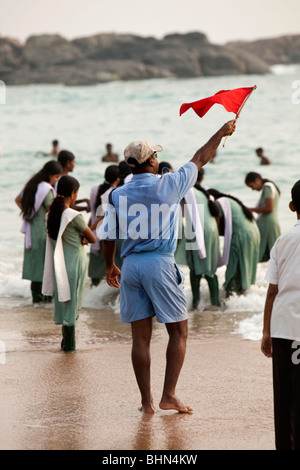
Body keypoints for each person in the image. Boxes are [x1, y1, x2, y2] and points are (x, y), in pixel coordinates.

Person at [100, 120, 236, 414]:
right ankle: (168, 395)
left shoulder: (117, 194)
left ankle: (146, 403)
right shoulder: (170, 184)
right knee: (178, 332)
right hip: (160, 264)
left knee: (140, 338)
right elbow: (200, 158)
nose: (157, 158)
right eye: (155, 155)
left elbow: (108, 236)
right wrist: (221, 131)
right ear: (151, 161)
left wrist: (110, 266)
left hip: (132, 266)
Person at [261, 179, 300, 450]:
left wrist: (266, 332)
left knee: (285, 398)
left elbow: (272, 291)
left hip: (285, 327)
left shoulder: (283, 241)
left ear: (292, 207)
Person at [42, 175, 96, 351]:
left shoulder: (51, 215)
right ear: (73, 193)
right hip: (74, 263)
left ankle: (65, 342)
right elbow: (92, 238)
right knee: (73, 304)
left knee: (65, 301)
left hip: (60, 264)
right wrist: (84, 239)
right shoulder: (73, 215)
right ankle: (69, 347)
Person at [15, 160, 63, 303]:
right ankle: (47, 301)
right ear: (49, 175)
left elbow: (17, 200)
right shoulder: (46, 189)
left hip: (32, 229)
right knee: (47, 264)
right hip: (43, 230)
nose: (56, 180)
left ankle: (36, 299)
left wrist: (28, 213)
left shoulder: (32, 185)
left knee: (36, 264)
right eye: (56, 177)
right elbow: (51, 210)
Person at [176, 169, 221, 309]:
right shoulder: (204, 192)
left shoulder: (188, 191)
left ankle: (195, 305)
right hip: (211, 230)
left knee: (195, 268)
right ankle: (215, 304)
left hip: (198, 230)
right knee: (209, 268)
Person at [208, 188, 260, 298]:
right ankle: (241, 297)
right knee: (244, 265)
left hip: (241, 235)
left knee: (233, 266)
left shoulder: (218, 203)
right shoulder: (230, 201)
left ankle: (230, 297)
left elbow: (216, 227)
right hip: (253, 232)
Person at [88, 165, 120, 286]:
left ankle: (93, 293)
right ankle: (104, 297)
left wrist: (89, 229)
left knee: (96, 267)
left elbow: (93, 211)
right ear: (117, 179)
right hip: (105, 233)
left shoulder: (94, 189)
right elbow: (103, 215)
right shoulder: (113, 192)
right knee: (110, 264)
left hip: (94, 232)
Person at [245, 172, 280, 262]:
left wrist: (251, 209)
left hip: (267, 225)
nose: (252, 189)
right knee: (277, 254)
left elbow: (269, 208)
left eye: (252, 186)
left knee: (262, 255)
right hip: (270, 223)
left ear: (257, 180)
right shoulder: (270, 187)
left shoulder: (267, 187)